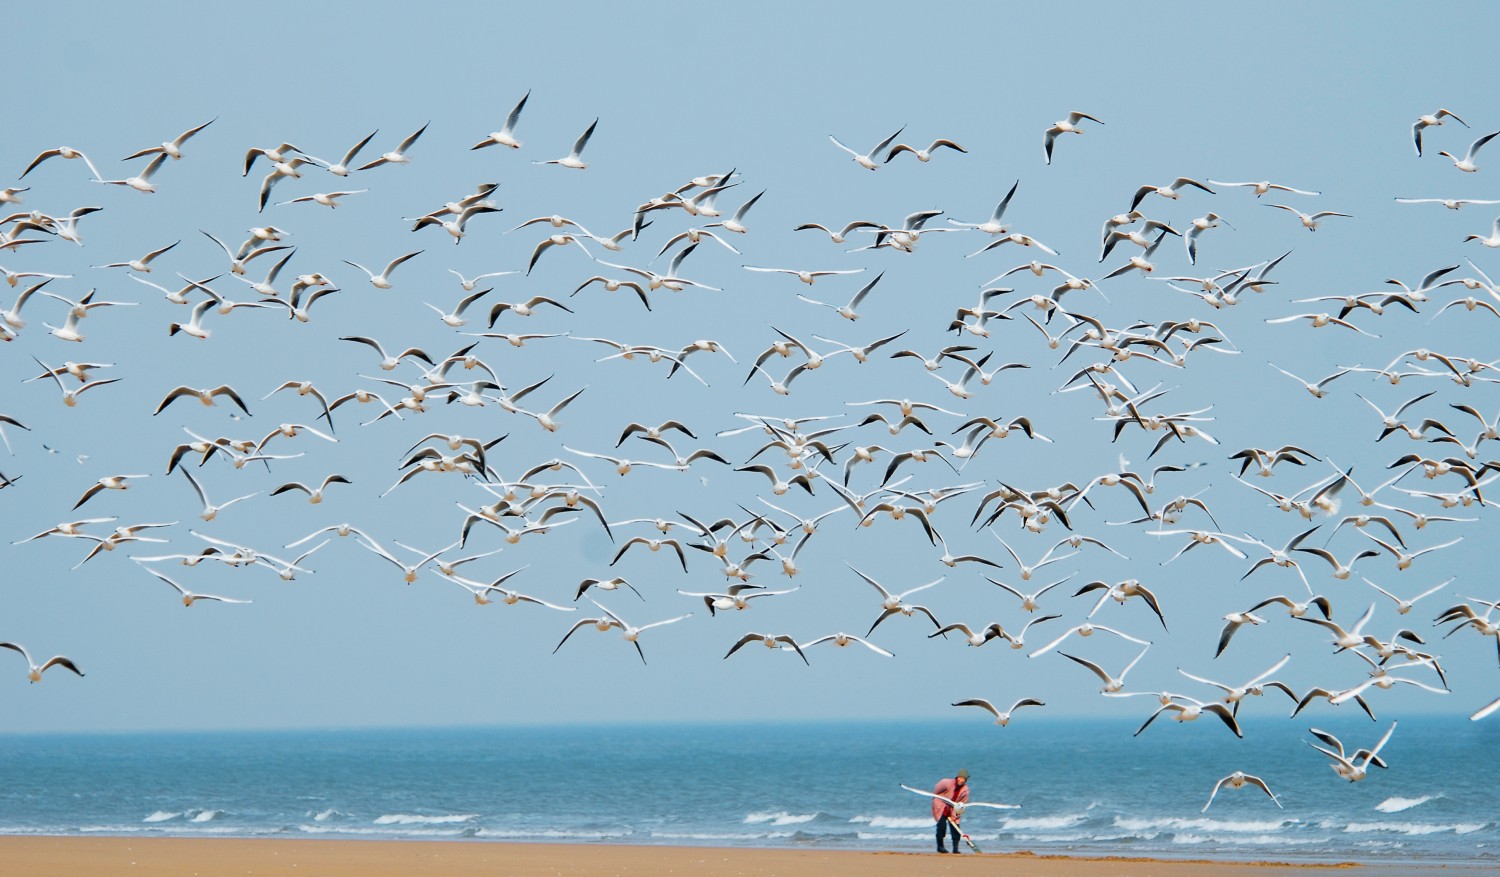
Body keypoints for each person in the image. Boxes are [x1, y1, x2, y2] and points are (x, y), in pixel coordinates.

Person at [931, 768, 970, 853]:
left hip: (954, 808)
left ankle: (955, 848)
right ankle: (940, 847)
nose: (961, 780)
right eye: (960, 777)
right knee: (941, 827)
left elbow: (963, 802)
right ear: (957, 777)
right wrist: (938, 799)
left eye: (963, 779)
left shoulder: (965, 790)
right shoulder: (946, 782)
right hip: (941, 805)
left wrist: (958, 810)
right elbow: (936, 790)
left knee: (956, 828)